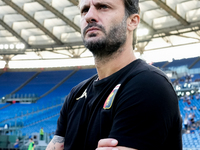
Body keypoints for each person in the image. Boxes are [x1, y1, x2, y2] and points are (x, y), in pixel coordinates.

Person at [46, 0, 182, 149]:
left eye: (103, 7)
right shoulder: (75, 95)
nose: (89, 16)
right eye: (84, 10)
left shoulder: (149, 84)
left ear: (132, 21)